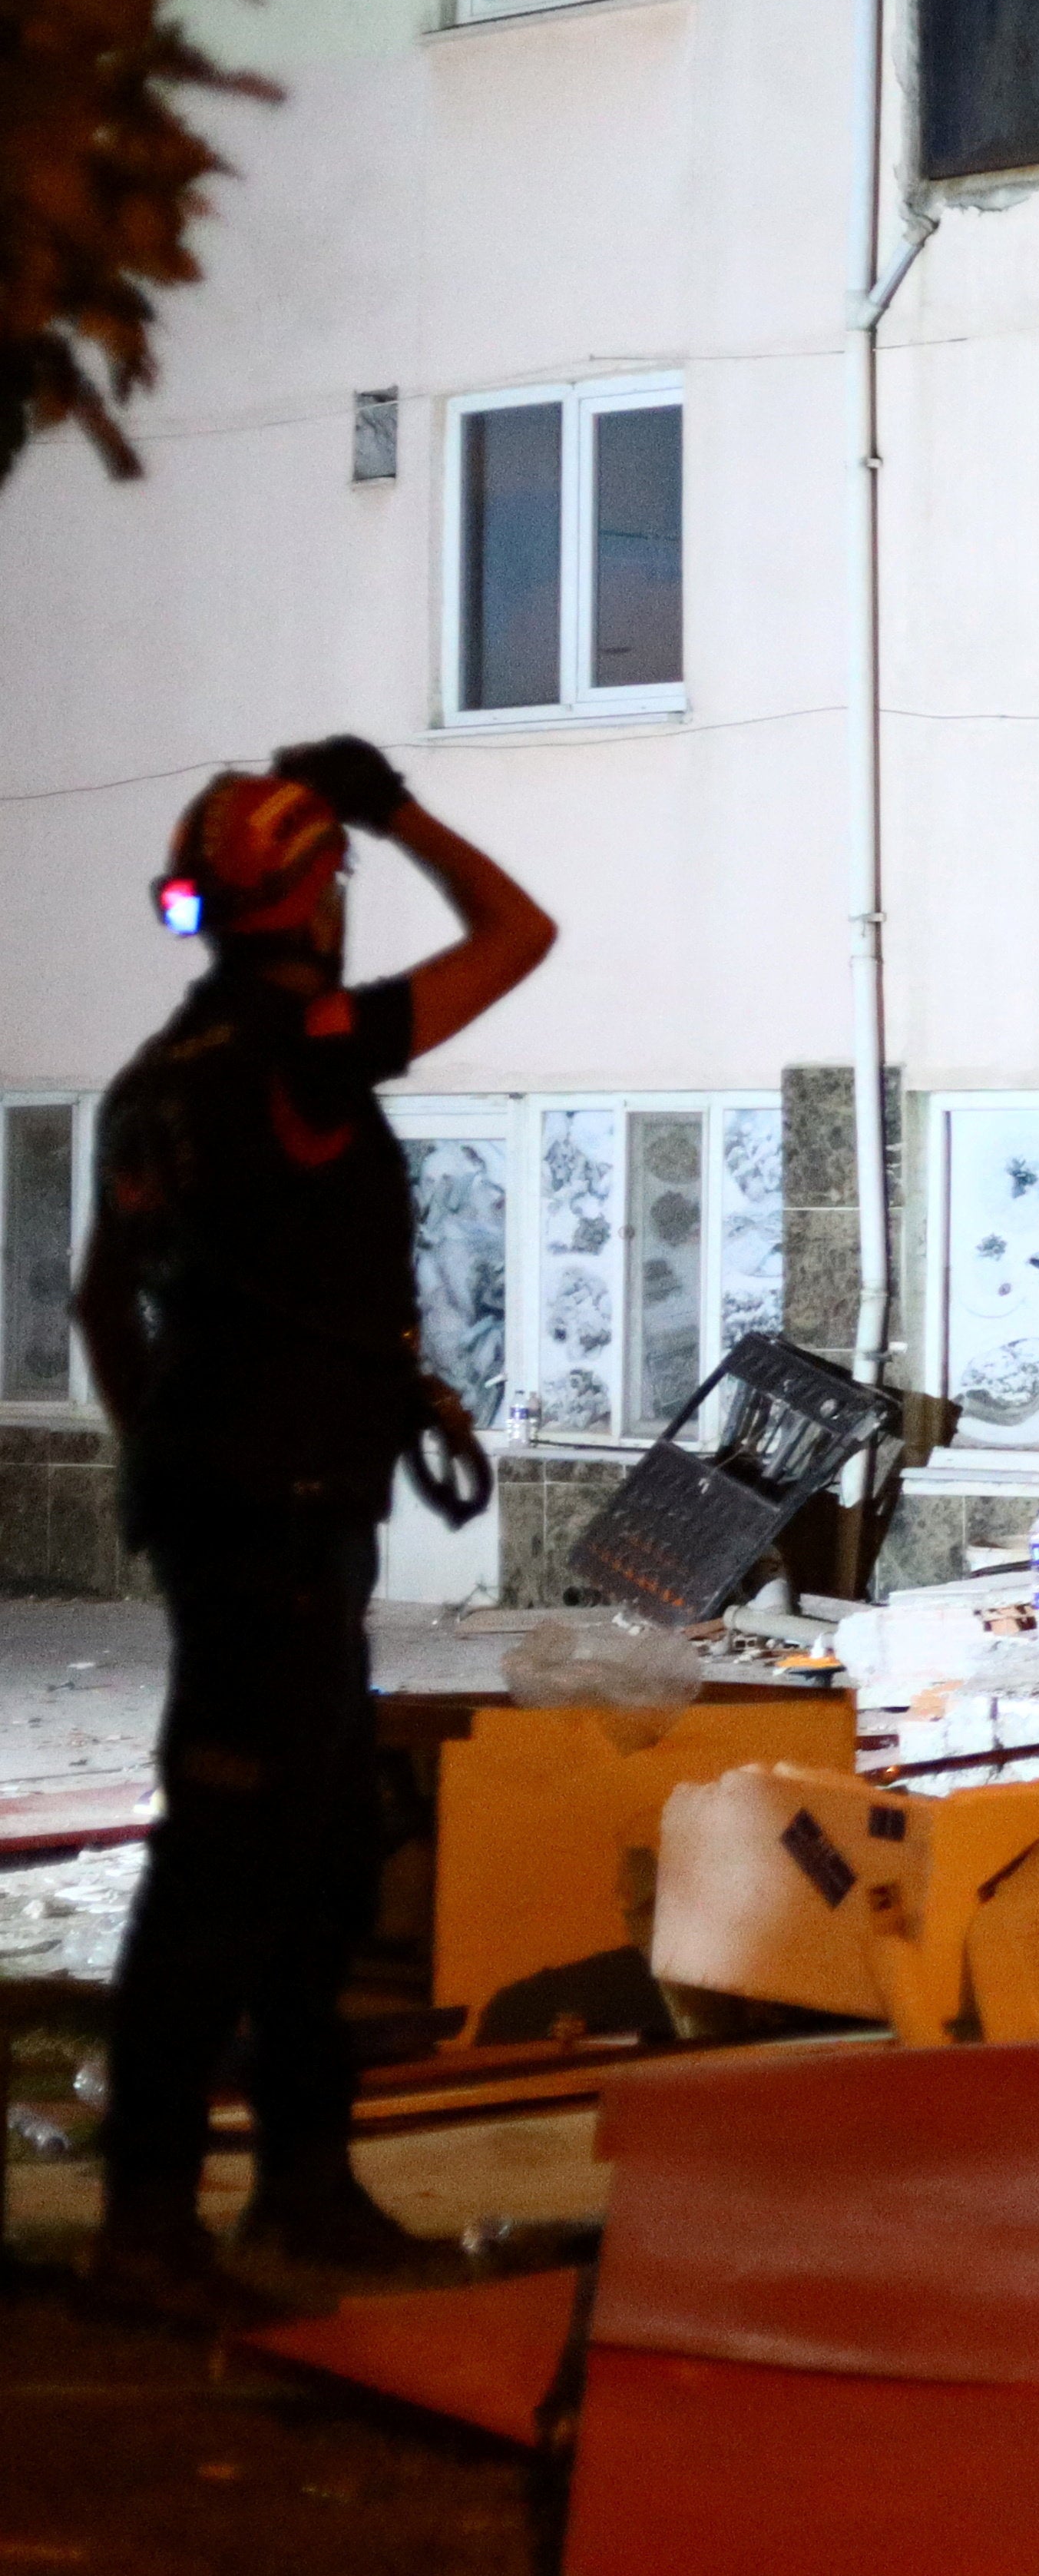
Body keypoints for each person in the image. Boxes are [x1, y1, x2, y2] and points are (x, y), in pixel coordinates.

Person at [69, 735, 555, 2322]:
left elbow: (102, 1303)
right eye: (337, 876)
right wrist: (397, 811)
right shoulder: (310, 1048)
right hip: (278, 1535)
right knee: (226, 1870)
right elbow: (516, 938)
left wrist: (172, 1459)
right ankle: (150, 2226)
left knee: (315, 1856)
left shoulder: (158, 1084)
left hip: (257, 1525)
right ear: (315, 899)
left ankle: (305, 2189)